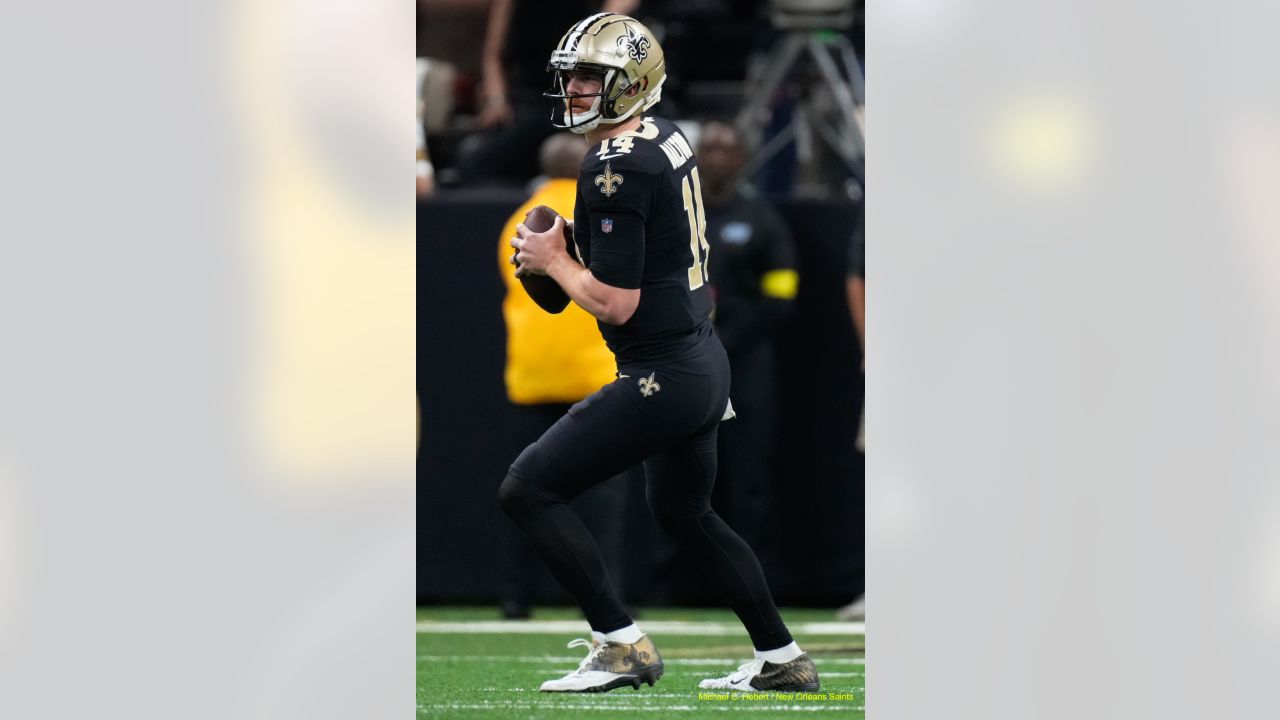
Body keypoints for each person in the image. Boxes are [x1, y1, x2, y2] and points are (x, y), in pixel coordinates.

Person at [499, 13, 819, 694]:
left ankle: (619, 643)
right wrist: (577, 251)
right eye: (573, 75)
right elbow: (649, 256)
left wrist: (555, 260)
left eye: (592, 77)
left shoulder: (618, 164)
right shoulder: (664, 134)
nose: (576, 89)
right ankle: (781, 657)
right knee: (686, 513)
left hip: (662, 371)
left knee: (529, 488)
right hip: (700, 360)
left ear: (631, 82)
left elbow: (617, 303)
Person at [496, 132, 637, 620]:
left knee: (525, 490)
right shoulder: (591, 218)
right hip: (593, 375)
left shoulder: (518, 222)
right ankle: (603, 598)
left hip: (531, 377)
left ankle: (517, 598)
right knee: (603, 499)